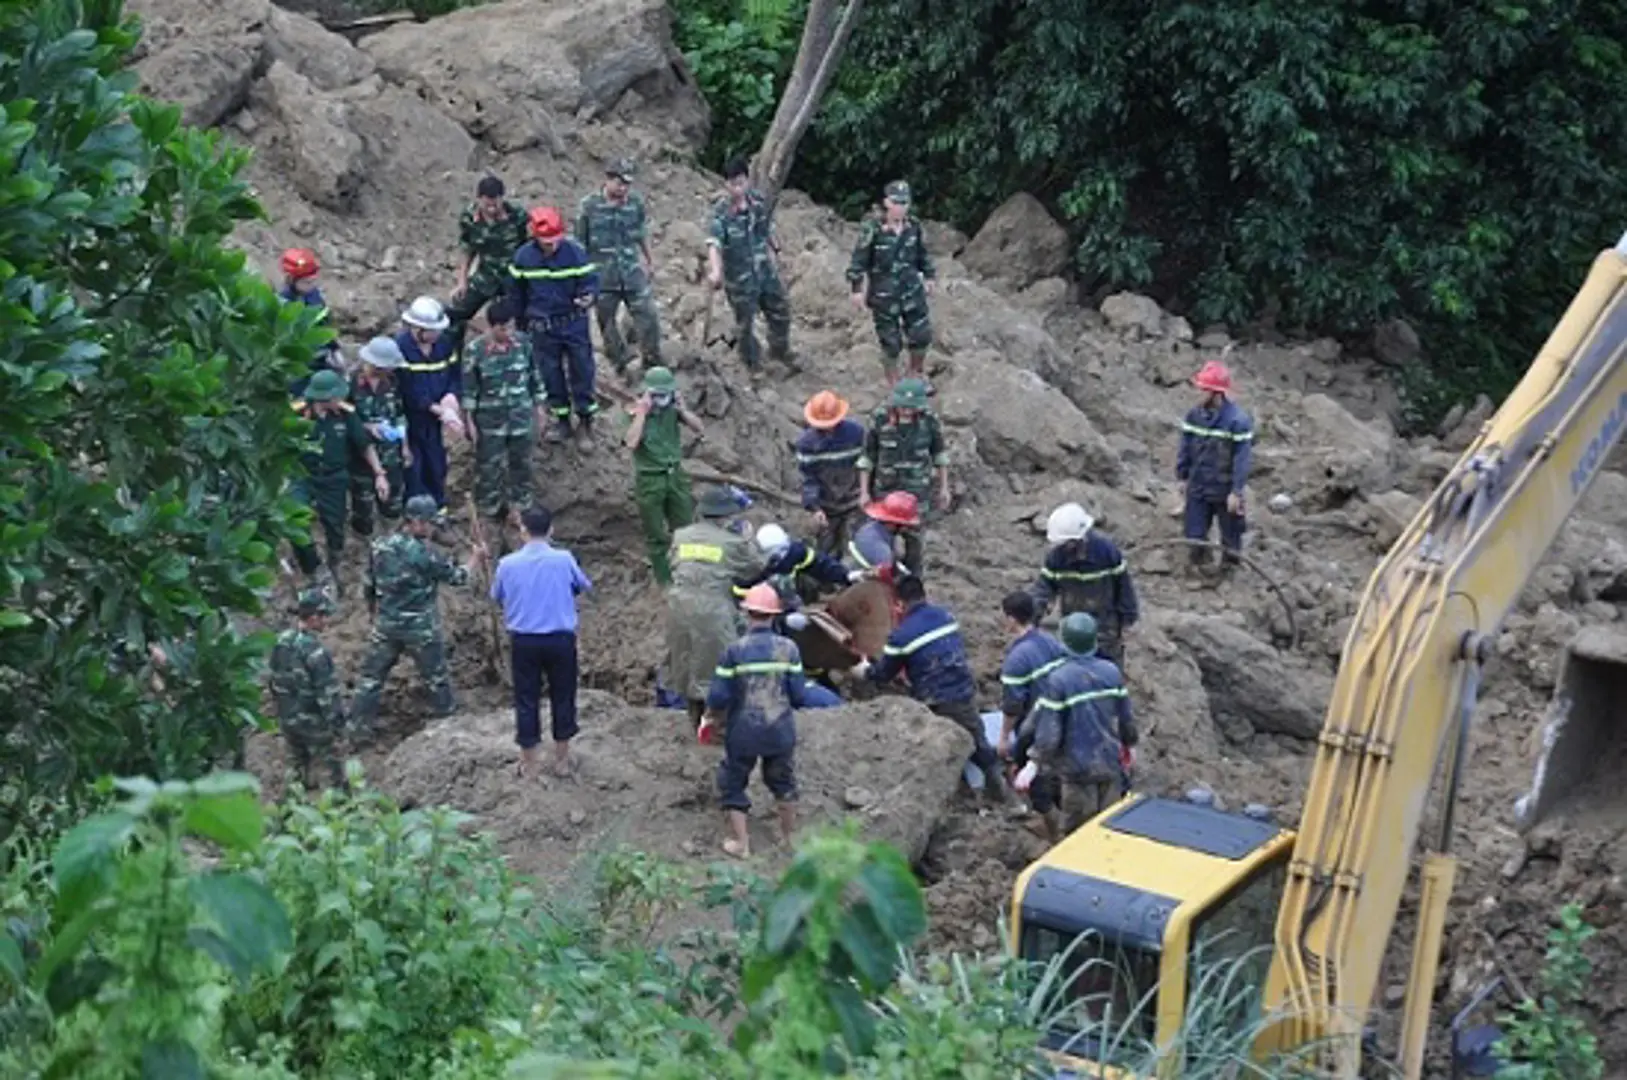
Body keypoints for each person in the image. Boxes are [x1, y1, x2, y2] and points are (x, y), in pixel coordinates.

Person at [859, 575, 1006, 803]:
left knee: (937, 745)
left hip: (934, 697)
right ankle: (997, 787)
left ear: (899, 603)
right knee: (977, 736)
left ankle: (983, 791)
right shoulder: (945, 616)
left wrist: (864, 670)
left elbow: (883, 674)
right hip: (963, 687)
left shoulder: (902, 636)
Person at [352, 496, 487, 728]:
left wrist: (373, 613)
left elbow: (369, 585)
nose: (432, 528)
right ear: (414, 522)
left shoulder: (379, 547)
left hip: (387, 625)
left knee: (371, 679)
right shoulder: (426, 555)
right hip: (421, 629)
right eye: (429, 523)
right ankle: (448, 724)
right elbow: (458, 577)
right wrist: (476, 558)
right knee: (435, 679)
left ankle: (357, 727)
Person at [701, 583, 809, 859]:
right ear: (774, 615)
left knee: (733, 782)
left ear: (747, 613)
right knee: (784, 783)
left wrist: (710, 718)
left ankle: (741, 843)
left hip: (743, 732)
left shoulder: (734, 651)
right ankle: (789, 842)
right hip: (780, 730)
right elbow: (799, 695)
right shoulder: (790, 650)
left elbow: (718, 696)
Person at [1014, 612, 1138, 842]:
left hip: (1077, 768)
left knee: (1077, 832)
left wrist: (1033, 763)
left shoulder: (1059, 680)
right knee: (1110, 826)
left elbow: (1049, 732)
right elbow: (1125, 717)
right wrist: (1129, 745)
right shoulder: (1111, 672)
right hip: (1110, 762)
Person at [491, 506, 591, 780]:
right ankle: (562, 760)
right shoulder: (564, 558)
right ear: (551, 531)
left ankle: (530, 764)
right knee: (563, 696)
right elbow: (583, 585)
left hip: (524, 640)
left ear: (522, 531)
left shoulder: (507, 564)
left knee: (526, 699)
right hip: (560, 639)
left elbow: (497, 595)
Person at [665, 485, 763, 728]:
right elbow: (757, 566)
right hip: (712, 607)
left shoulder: (681, 536)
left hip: (678, 606)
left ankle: (693, 720)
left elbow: (672, 563)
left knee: (685, 660)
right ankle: (716, 726)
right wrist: (748, 539)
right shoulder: (732, 542)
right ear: (726, 516)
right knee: (719, 666)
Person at [291, 369, 390, 597]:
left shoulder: (346, 415)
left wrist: (379, 473)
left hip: (334, 478)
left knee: (335, 525)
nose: (341, 401)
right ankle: (313, 569)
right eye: (336, 397)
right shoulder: (297, 414)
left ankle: (334, 563)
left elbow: (364, 445)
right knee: (295, 523)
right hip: (303, 476)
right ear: (323, 399)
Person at [509, 205, 600, 443]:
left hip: (573, 323)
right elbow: (516, 294)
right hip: (542, 328)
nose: (552, 245)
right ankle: (561, 419)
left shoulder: (575, 253)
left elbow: (590, 281)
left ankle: (585, 421)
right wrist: (520, 326)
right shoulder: (523, 258)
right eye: (546, 241)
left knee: (582, 370)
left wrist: (588, 295)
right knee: (550, 374)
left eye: (555, 240)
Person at [705, 156, 796, 375]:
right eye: (733, 184)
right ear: (726, 184)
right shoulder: (721, 213)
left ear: (747, 180)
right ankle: (752, 365)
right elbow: (714, 244)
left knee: (780, 311)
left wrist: (777, 251)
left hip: (764, 271)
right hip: (740, 280)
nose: (738, 188)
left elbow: (765, 230)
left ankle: (779, 351)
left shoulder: (757, 202)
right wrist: (716, 271)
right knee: (745, 325)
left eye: (741, 182)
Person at [465, 299, 543, 545]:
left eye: (511, 327)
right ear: (492, 327)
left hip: (520, 416)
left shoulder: (523, 344)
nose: (508, 333)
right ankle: (489, 513)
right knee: (489, 467)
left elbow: (534, 377)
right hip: (490, 421)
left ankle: (521, 510)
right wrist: (469, 421)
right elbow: (469, 389)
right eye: (503, 329)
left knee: (522, 464)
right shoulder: (475, 351)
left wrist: (540, 409)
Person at [577, 158, 661, 376]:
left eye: (627, 184)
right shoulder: (589, 206)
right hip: (602, 275)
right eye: (620, 183)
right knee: (606, 323)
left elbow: (641, 233)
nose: (624, 188)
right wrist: (581, 279)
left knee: (648, 315)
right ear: (608, 179)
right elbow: (579, 244)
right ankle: (621, 364)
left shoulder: (635, 203)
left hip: (631, 271)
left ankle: (652, 363)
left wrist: (650, 260)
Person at [847, 180, 936, 384]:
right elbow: (859, 260)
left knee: (920, 335)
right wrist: (856, 289)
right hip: (884, 295)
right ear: (887, 202)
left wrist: (929, 276)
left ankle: (916, 374)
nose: (901, 207)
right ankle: (894, 384)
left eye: (905, 203)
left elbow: (922, 254)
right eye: (896, 202)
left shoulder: (913, 226)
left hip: (912, 291)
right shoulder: (873, 229)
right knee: (891, 342)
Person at [1032, 502, 1140, 669]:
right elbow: (1043, 589)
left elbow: (1124, 588)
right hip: (1073, 628)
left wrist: (1127, 621)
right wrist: (1032, 617)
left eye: (1067, 543)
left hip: (1105, 627)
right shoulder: (1056, 558)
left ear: (1079, 539)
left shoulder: (1106, 552)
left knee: (1107, 671)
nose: (1063, 548)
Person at [622, 365, 705, 584]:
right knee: (656, 534)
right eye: (657, 394)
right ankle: (665, 581)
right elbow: (631, 442)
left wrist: (683, 410)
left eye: (665, 394)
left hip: (675, 475)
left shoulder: (672, 411)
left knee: (686, 528)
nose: (662, 399)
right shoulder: (634, 412)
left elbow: (699, 428)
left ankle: (689, 575)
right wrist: (642, 413)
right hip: (650, 479)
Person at [858, 377, 949, 574]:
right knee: (881, 535)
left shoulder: (929, 420)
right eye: (903, 407)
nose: (907, 412)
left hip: (916, 492)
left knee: (915, 540)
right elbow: (867, 457)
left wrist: (944, 488)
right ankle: (884, 576)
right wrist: (864, 491)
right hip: (886, 491)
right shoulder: (879, 419)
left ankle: (913, 580)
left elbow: (940, 455)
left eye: (911, 408)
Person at [1177, 359, 1254, 573]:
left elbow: (1242, 459)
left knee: (1231, 534)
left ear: (1216, 393)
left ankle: (1229, 571)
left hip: (1224, 487)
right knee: (1194, 533)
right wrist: (1182, 477)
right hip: (1198, 485)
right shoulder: (1194, 417)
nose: (1198, 394)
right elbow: (1185, 447)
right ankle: (1198, 565)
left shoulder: (1237, 421)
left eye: (1203, 390)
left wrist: (1236, 492)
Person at [268, 587, 348, 790]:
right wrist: (338, 726)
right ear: (313, 617)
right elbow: (327, 695)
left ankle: (289, 812)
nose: (326, 622)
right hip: (313, 722)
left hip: (288, 719)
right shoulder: (316, 652)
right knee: (333, 769)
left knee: (296, 768)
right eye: (323, 616)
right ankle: (340, 810)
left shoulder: (281, 642)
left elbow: (273, 679)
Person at [447, 175, 530, 358]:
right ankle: (455, 361)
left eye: (496, 203)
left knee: (523, 321)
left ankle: (521, 362)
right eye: (487, 204)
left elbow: (529, 249)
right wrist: (462, 281)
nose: (492, 208)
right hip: (486, 275)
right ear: (479, 199)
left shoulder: (517, 216)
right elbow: (467, 250)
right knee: (455, 314)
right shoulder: (469, 217)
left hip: (513, 277)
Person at [394, 296, 463, 510]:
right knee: (415, 466)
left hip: (434, 419)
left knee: (436, 462)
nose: (435, 335)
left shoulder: (444, 344)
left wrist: (451, 397)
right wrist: (438, 410)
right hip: (411, 419)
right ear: (417, 329)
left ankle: (438, 507)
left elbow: (455, 374)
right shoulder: (401, 348)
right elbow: (408, 390)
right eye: (431, 331)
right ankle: (415, 512)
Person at [996, 590, 1068, 762]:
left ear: (1012, 620)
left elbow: (1013, 705)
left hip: (1035, 727)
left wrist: (1004, 738)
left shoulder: (1016, 659)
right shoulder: (1051, 641)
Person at [349, 336, 409, 538]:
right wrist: (367, 427)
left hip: (391, 454)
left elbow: (400, 414)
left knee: (393, 506)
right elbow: (346, 419)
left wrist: (405, 446)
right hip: (361, 458)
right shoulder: (350, 383)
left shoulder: (392, 382)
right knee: (363, 510)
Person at [796, 390, 866, 561]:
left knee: (855, 548)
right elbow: (809, 478)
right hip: (826, 506)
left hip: (854, 502)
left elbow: (866, 464)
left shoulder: (856, 434)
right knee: (825, 552)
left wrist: (866, 492)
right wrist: (814, 507)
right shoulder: (807, 444)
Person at [279, 247, 339, 394]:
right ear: (291, 280)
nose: (311, 285)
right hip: (299, 365)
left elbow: (325, 322)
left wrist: (334, 349)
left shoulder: (313, 296)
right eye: (306, 282)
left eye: (313, 281)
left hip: (321, 359)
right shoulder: (283, 305)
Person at [741, 523, 860, 595]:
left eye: (784, 549)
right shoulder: (754, 568)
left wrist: (846, 576)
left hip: (793, 600)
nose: (782, 555)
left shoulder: (795, 553)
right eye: (777, 553)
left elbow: (821, 564)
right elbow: (741, 590)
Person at [848, 490, 920, 586]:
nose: (908, 528)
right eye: (906, 525)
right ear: (895, 523)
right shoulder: (881, 551)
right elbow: (887, 580)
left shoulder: (872, 528)